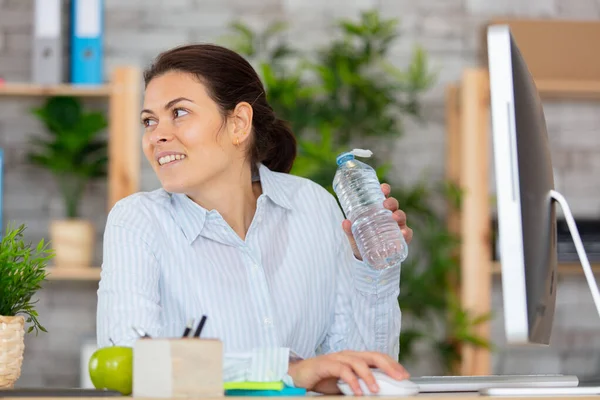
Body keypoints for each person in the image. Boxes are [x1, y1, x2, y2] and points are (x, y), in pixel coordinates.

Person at [96, 43, 414, 395]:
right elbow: (129, 360)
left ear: (238, 123)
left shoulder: (313, 206)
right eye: (149, 121)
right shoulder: (138, 221)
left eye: (179, 113)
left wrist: (370, 270)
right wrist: (288, 370)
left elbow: (364, 372)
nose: (157, 135)